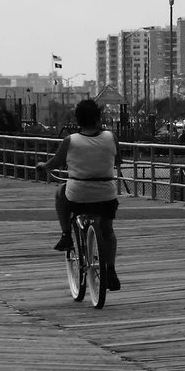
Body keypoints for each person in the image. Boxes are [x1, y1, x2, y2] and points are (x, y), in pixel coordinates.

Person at [33, 98, 123, 291]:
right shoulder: (111, 137)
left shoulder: (70, 141)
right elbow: (118, 159)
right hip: (106, 194)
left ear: (78, 120)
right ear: (98, 119)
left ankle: (66, 234)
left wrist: (43, 166)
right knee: (107, 230)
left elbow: (55, 163)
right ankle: (111, 270)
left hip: (78, 195)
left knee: (60, 193)